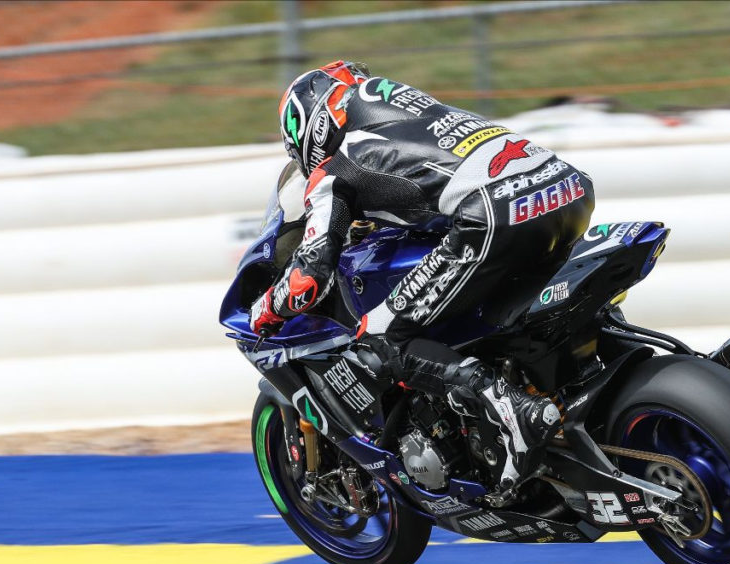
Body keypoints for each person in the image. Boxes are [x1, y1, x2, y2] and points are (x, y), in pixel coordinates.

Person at [250, 61, 595, 493]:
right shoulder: (425, 117)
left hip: (492, 217)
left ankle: (514, 411)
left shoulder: (335, 168)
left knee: (380, 337)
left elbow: (309, 278)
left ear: (309, 128)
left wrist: (265, 309)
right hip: (569, 190)